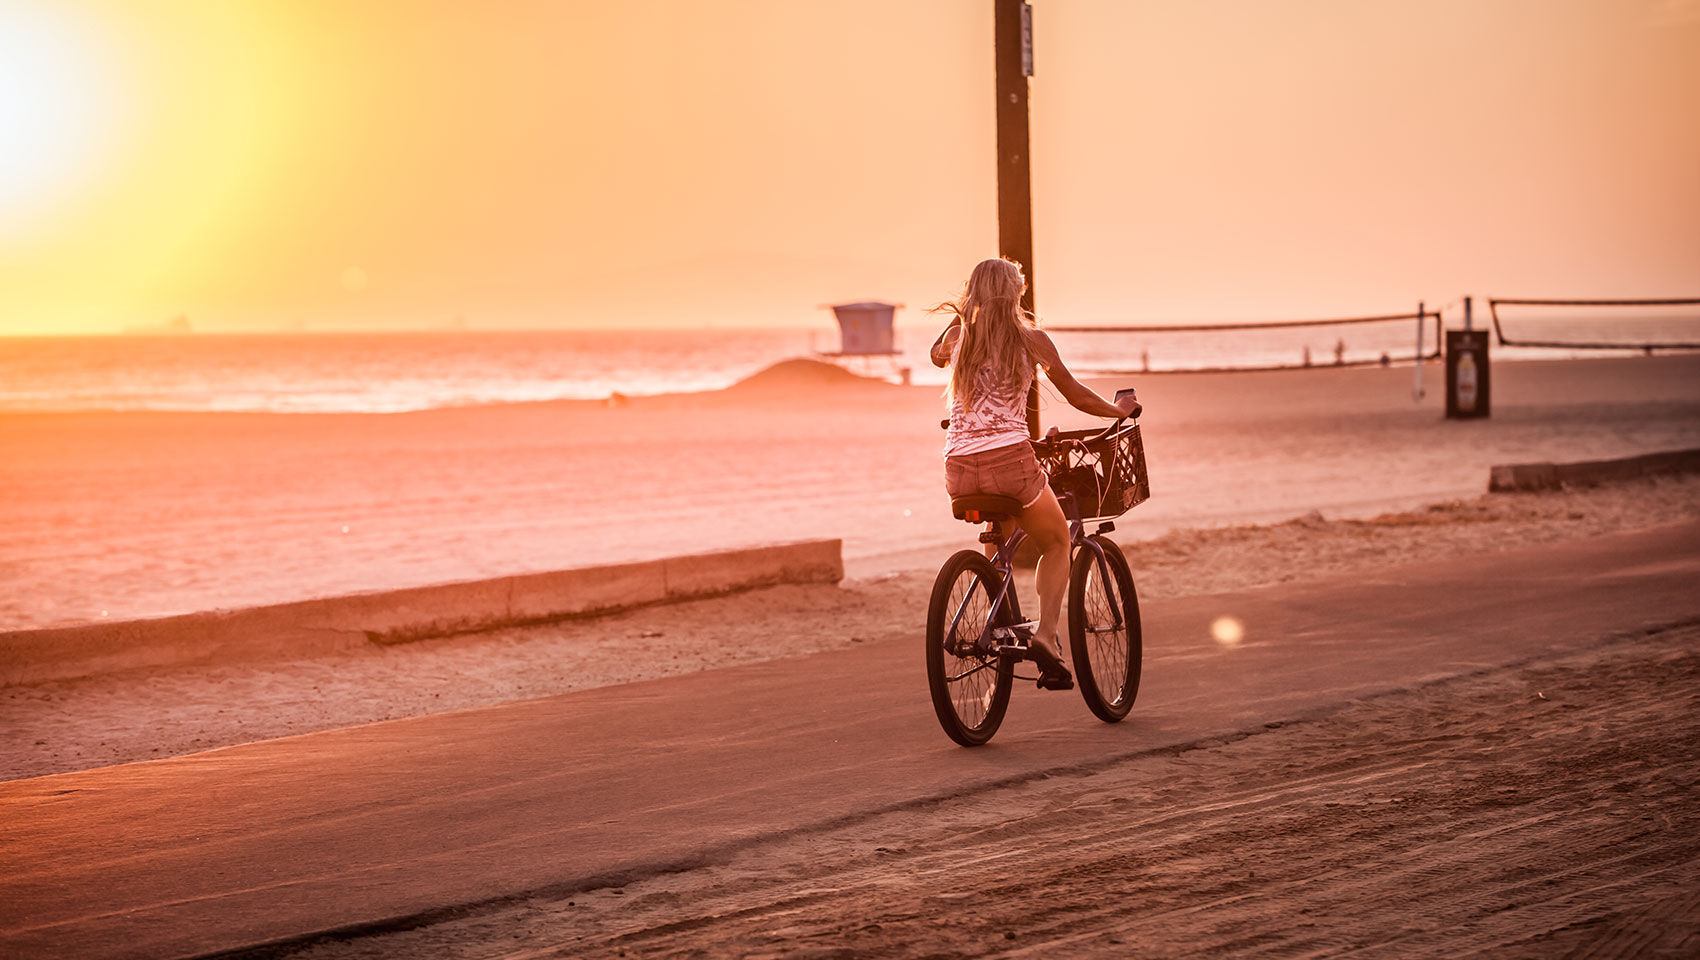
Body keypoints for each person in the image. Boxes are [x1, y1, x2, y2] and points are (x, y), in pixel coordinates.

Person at [928, 257, 1140, 691]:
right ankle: (1044, 636)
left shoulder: (957, 337)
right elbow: (1076, 394)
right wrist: (1117, 410)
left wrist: (962, 315)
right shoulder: (1031, 340)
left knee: (997, 537)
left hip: (957, 469)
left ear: (974, 293)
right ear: (1015, 294)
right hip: (1011, 463)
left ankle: (998, 621)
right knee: (1057, 540)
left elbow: (934, 357)